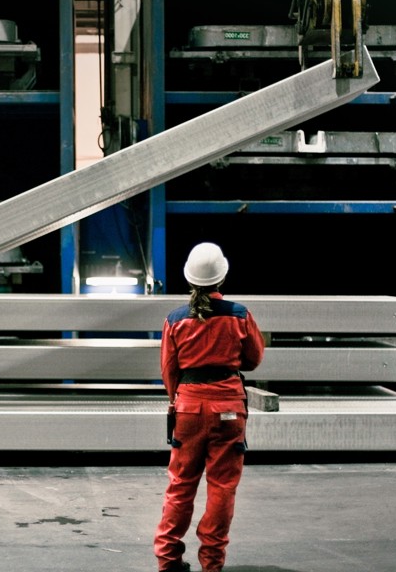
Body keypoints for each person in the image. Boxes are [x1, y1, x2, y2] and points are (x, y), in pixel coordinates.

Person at [153, 242, 266, 572]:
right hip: (229, 409)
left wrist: (180, 400)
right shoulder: (239, 315)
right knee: (222, 487)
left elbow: (169, 370)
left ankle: (168, 560)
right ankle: (212, 564)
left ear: (189, 279)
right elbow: (254, 359)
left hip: (188, 409)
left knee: (180, 485)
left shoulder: (175, 320)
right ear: (223, 276)